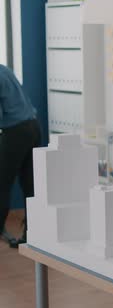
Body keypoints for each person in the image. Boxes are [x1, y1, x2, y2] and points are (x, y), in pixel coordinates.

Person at [0, 64, 41, 248]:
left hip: (15, 132)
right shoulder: (3, 69)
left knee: (2, 183)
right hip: (33, 127)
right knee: (30, 184)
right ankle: (31, 233)